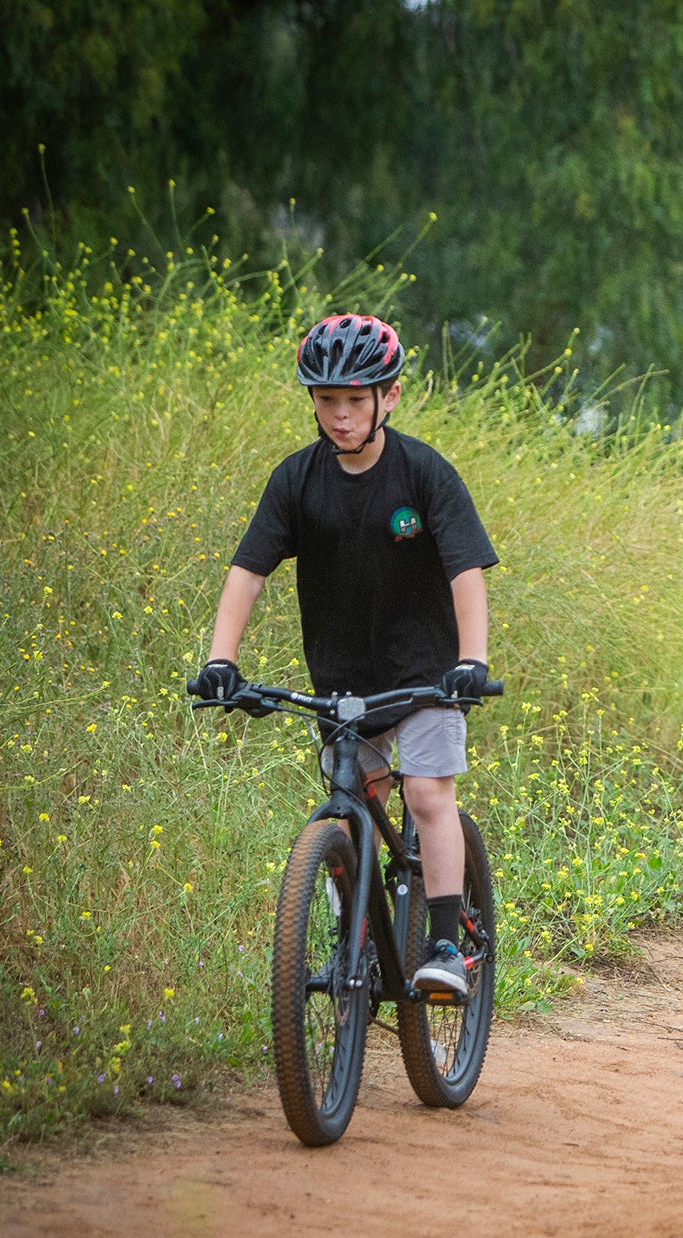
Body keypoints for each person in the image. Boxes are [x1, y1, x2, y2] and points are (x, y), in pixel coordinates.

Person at [194, 313, 499, 994]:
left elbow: (466, 571)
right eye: (326, 400)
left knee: (426, 793)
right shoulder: (297, 481)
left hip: (425, 678)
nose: (339, 415)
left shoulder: (424, 474)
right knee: (348, 808)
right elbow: (248, 571)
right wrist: (221, 659)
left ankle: (446, 944)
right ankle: (352, 944)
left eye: (355, 400)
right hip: (340, 684)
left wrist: (471, 662)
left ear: (388, 397)